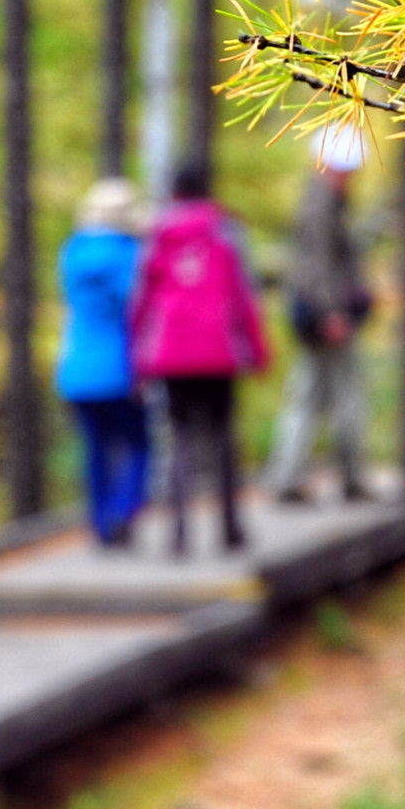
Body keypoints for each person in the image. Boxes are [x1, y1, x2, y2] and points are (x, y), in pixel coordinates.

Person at [130, 160, 269, 555]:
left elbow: (140, 301)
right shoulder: (227, 230)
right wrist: (257, 351)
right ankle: (229, 529)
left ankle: (178, 534)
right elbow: (245, 295)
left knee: (180, 441)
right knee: (223, 437)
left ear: (174, 192)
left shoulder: (157, 235)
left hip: (171, 354)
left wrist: (137, 360)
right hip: (218, 352)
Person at [264, 122, 375, 504]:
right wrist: (333, 312)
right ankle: (338, 477)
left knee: (312, 394)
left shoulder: (322, 199)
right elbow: (319, 264)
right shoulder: (322, 203)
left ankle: (293, 476)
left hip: (319, 314)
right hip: (327, 317)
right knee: (336, 396)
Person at [56, 178, 151, 546]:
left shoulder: (72, 252)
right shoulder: (129, 254)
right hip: (120, 369)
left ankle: (99, 522)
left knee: (95, 448)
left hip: (76, 369)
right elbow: (137, 310)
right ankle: (123, 510)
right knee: (138, 444)